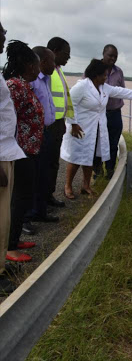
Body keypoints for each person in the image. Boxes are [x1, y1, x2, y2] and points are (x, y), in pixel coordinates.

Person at [61, 59, 132, 198]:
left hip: (95, 128)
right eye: (104, 75)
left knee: (89, 156)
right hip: (79, 127)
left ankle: (86, 185)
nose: (106, 78)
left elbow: (118, 91)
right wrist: (73, 124)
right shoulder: (82, 86)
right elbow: (70, 105)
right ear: (96, 75)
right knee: (76, 157)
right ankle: (68, 186)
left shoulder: (103, 87)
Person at [3, 40, 44, 263]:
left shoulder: (23, 85)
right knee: (19, 198)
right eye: (37, 66)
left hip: (29, 150)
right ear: (29, 65)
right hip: (20, 151)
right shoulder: (15, 86)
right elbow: (8, 120)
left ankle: (14, 239)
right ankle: (9, 247)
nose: (38, 71)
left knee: (24, 196)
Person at [0, 23, 26, 294]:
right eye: (1, 33)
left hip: (6, 150)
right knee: (0, 217)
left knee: (3, 217)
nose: (4, 36)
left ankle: (1, 264)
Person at [27, 46, 59, 223]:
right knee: (33, 175)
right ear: (44, 62)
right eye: (53, 61)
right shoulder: (31, 81)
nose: (55, 65)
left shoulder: (46, 79)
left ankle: (40, 212)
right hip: (33, 134)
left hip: (47, 131)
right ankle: (27, 217)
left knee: (44, 173)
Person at [46, 37, 72, 209]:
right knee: (44, 166)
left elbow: (64, 98)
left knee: (53, 164)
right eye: (66, 54)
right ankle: (36, 205)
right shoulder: (45, 72)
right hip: (47, 125)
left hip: (58, 124)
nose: (68, 58)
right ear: (55, 51)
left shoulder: (58, 71)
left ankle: (48, 196)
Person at [93, 44, 126, 180]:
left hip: (115, 113)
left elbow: (122, 90)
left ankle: (110, 170)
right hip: (98, 114)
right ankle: (97, 170)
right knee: (96, 142)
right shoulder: (94, 68)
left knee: (113, 143)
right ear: (103, 54)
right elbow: (86, 87)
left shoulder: (119, 72)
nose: (113, 58)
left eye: (115, 56)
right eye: (110, 55)